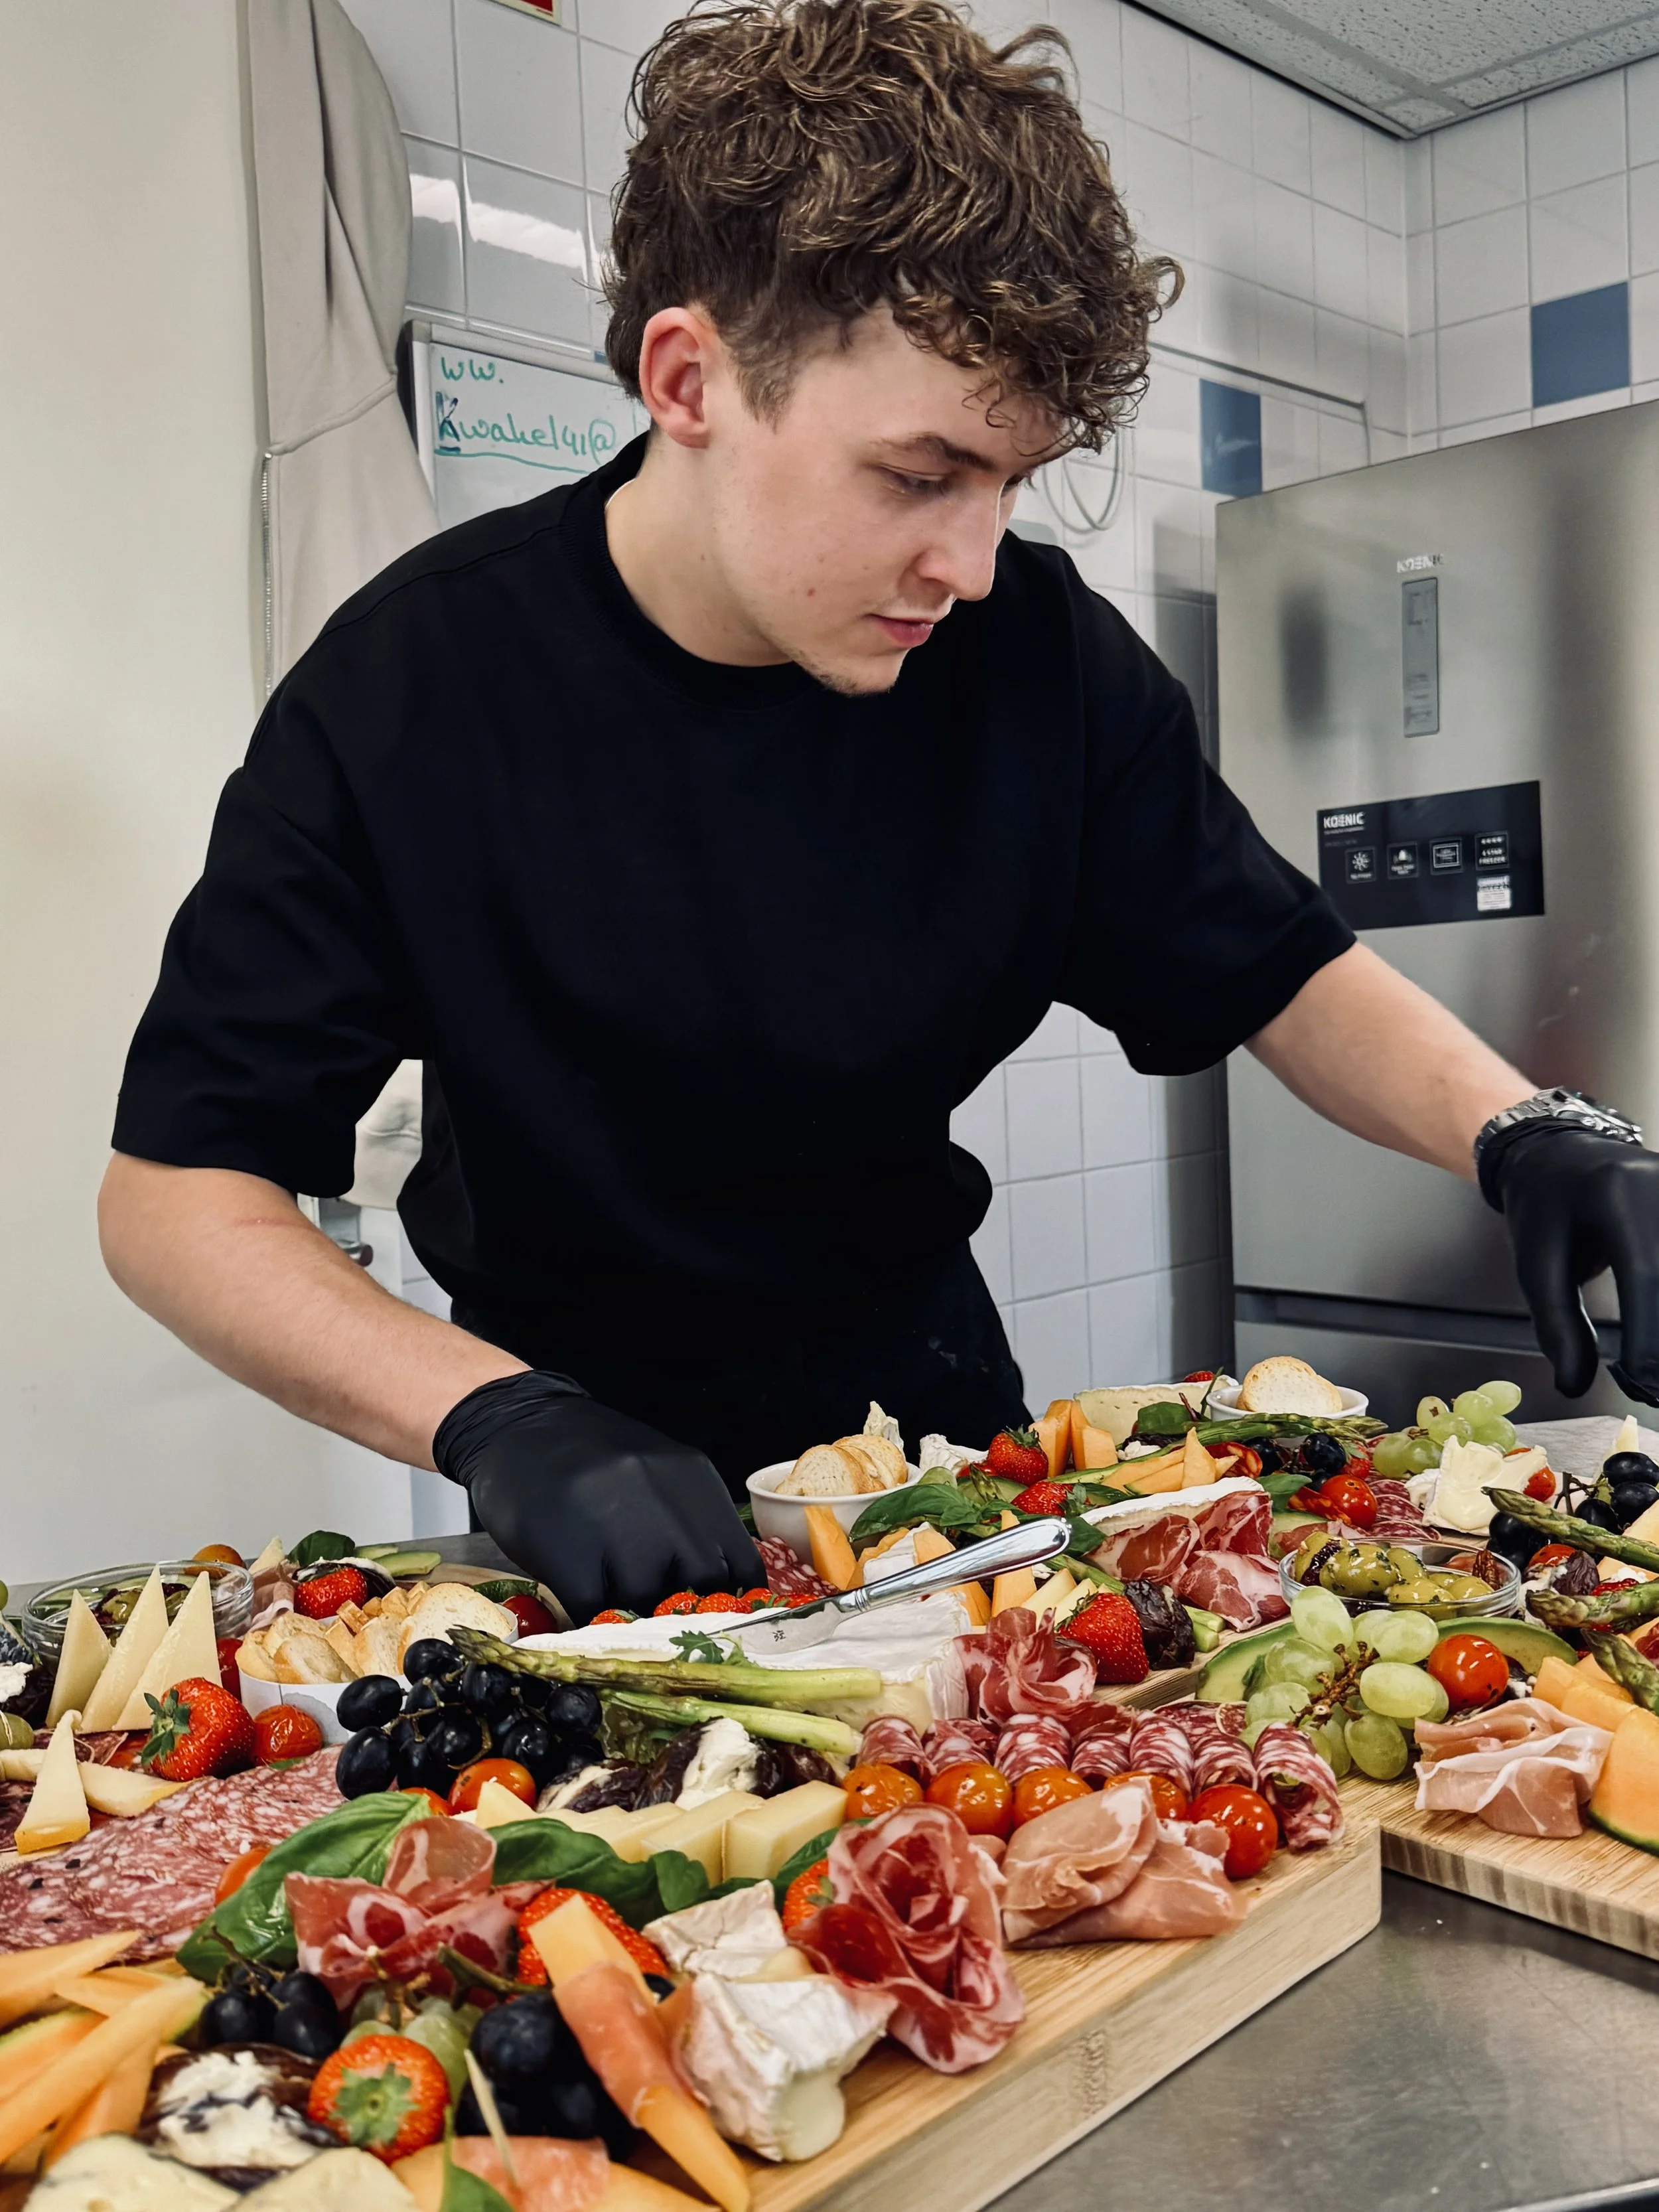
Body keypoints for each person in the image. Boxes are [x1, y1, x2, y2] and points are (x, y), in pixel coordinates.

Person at [99, 0, 1659, 1624]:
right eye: (917, 478)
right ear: (687, 376)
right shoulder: (410, 690)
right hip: (582, 1475)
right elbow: (178, 1197)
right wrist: (491, 1415)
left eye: (1010, 482)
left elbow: (1273, 966)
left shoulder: (1035, 659)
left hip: (929, 1455)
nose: (972, 562)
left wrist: (1527, 1128)